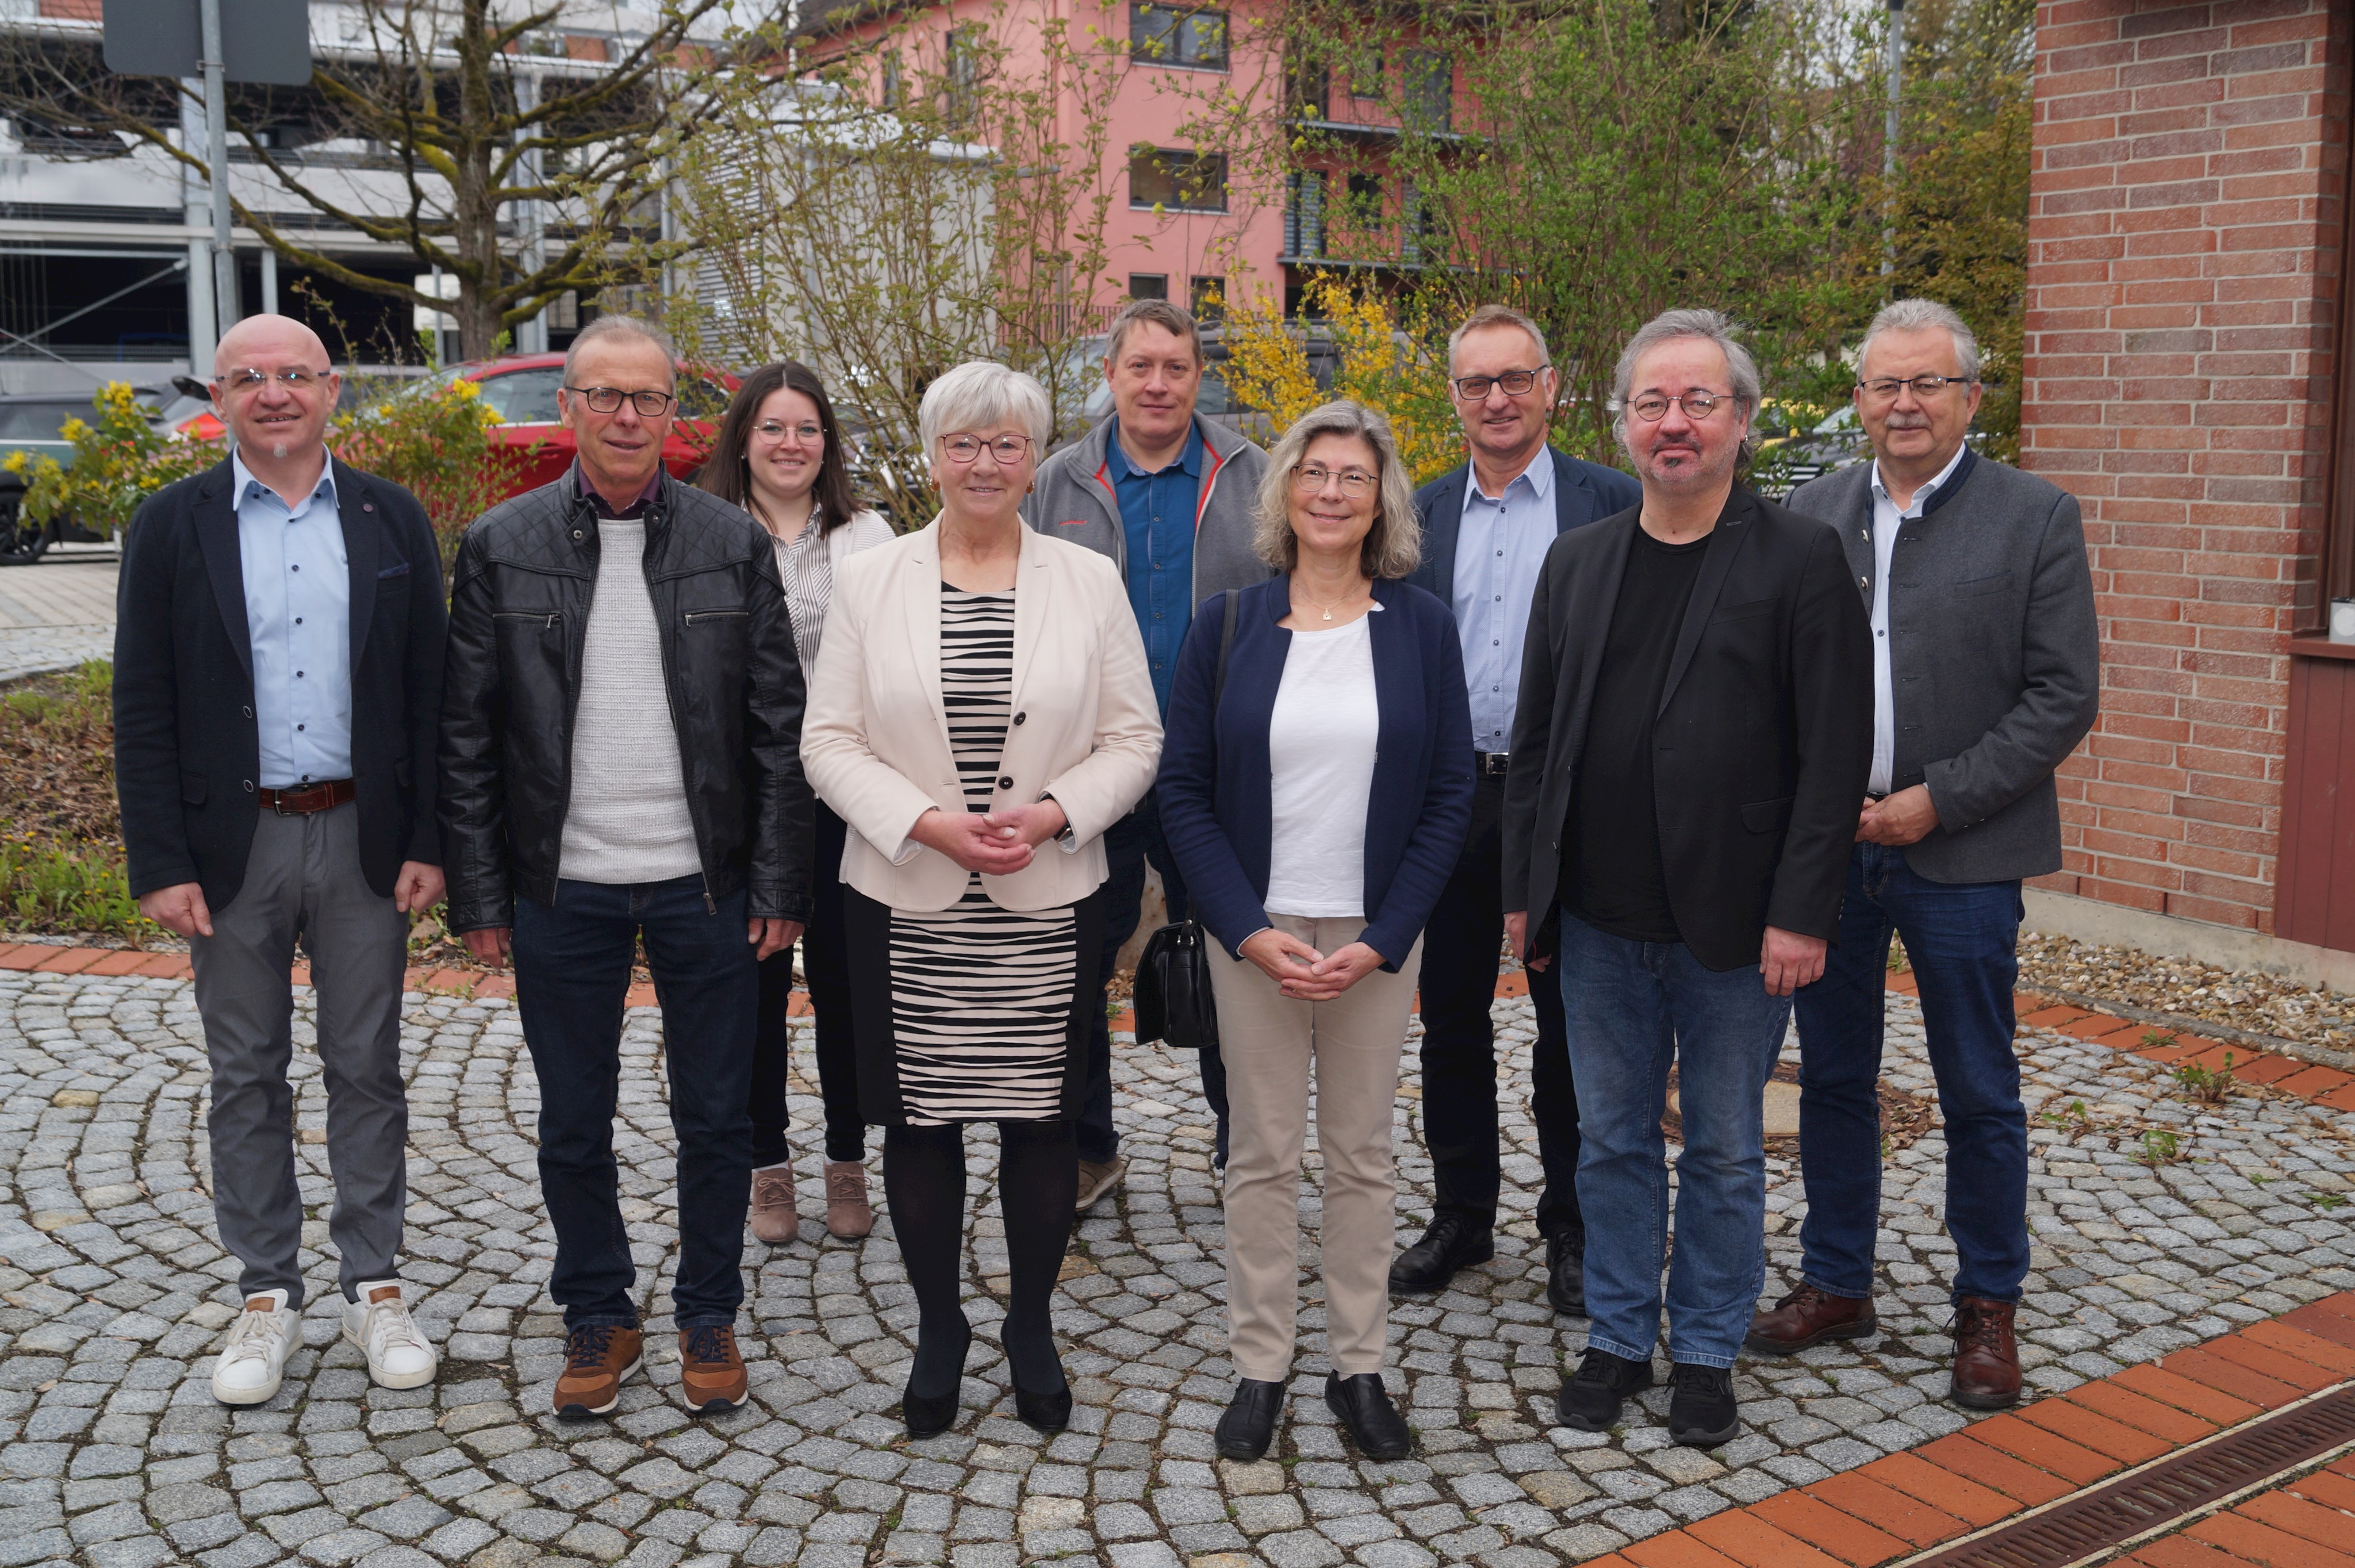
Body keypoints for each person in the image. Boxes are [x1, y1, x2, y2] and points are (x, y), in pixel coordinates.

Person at [1503, 309, 1872, 1447]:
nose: (1672, 423)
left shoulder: (1799, 558)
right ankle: (1617, 1334)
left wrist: (1800, 910)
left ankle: (1705, 1346)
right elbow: (1534, 742)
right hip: (1599, 925)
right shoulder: (1578, 561)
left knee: (1719, 1145)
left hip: (1734, 930)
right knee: (1609, 1138)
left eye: (1695, 402)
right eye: (1651, 404)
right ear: (1619, 422)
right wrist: (1526, 891)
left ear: (1741, 422)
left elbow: (1832, 755)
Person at [439, 314, 812, 1420]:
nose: (627, 416)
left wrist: (783, 885)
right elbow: (465, 734)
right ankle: (597, 1309)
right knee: (572, 1117)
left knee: (717, 1117)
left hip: (709, 882)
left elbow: (776, 732)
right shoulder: (500, 545)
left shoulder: (729, 542)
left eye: (648, 398)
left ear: (673, 415)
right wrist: (479, 894)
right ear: (569, 407)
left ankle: (708, 1309)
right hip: (564, 886)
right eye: (605, 395)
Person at [801, 361, 1161, 1439]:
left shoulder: (1087, 579)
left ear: (1033, 457)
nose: (986, 463)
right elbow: (829, 742)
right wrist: (925, 822)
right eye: (965, 443)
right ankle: (939, 1328)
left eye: (1008, 444)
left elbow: (1135, 738)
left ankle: (1033, 1326)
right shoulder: (874, 581)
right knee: (920, 1125)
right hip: (910, 897)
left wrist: (1053, 812)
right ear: (931, 455)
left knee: (1041, 1124)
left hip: (1047, 894)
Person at [1750, 300, 2098, 1409]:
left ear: (1969, 398)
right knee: (1836, 1075)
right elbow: (1775, 681)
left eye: (1927, 384)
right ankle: (1838, 1279)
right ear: (1858, 400)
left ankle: (1988, 1304)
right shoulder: (1810, 512)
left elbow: (2063, 695)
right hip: (1833, 852)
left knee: (1978, 1085)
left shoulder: (2034, 516)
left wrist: (1935, 803)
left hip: (1964, 851)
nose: (1904, 404)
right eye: (1884, 386)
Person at [113, 312, 446, 1405]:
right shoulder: (172, 524)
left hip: (363, 839)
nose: (272, 394)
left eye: (293, 375)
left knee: (367, 1068)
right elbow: (143, 702)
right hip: (229, 846)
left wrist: (431, 840)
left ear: (332, 391)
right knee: (244, 1071)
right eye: (247, 377)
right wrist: (160, 858)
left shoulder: (392, 519)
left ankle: (375, 1283)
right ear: (218, 396)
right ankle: (267, 1295)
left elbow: (432, 697)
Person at [1159, 399, 1474, 1465]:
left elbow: (1446, 799)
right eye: (1315, 472)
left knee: (1362, 1155)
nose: (1333, 492)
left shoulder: (1423, 627)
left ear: (1382, 500)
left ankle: (1359, 1365)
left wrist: (1387, 937)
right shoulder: (1229, 625)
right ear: (1285, 491)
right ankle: (1260, 1366)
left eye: (1355, 476)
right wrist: (1243, 929)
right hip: (1257, 934)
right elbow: (1184, 794)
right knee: (1260, 1157)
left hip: (1374, 937)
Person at [1394, 304, 1641, 1309]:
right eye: (1474, 383)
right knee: (1449, 1016)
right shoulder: (1419, 511)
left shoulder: (1613, 502)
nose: (1495, 400)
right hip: (1450, 799)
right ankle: (1463, 1214)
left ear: (1550, 388)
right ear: (1453, 398)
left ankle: (1573, 1228)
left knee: (1569, 1023)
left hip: (1567, 808)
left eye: (1514, 379)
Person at [1023, 298, 1272, 1206]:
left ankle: (1244, 1142)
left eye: (1175, 367)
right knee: (1078, 962)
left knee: (1237, 955)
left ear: (1198, 376)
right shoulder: (1059, 483)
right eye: (1141, 367)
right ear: (1112, 375)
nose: (1158, 383)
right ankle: (1089, 1149)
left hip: (1216, 768)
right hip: (1089, 769)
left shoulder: (1253, 474)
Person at [697, 362, 895, 1245]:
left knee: (851, 992)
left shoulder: (872, 537)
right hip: (746, 801)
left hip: (848, 798)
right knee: (756, 994)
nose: (790, 445)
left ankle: (846, 1158)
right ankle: (766, 1165)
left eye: (807, 429)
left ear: (828, 444)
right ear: (744, 438)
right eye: (773, 428)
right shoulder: (700, 533)